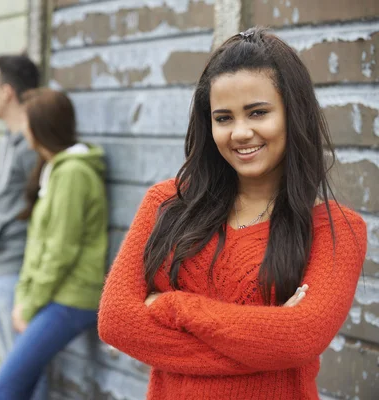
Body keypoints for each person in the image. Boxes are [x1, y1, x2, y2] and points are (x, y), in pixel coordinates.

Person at [98, 27, 367, 399]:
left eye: (257, 112)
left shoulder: (337, 229)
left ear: (294, 113)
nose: (240, 132)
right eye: (223, 118)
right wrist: (265, 339)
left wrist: (175, 306)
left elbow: (298, 338)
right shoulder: (167, 204)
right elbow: (117, 323)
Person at [0, 88, 108, 400]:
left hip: (71, 298)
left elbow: (60, 250)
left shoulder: (74, 173)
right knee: (23, 385)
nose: (23, 130)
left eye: (26, 123)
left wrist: (30, 304)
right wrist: (24, 297)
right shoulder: (54, 168)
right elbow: (38, 246)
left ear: (40, 127)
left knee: (3, 388)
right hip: (53, 295)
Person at [0, 55, 45, 393]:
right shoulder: (9, 140)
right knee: (11, 367)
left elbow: (41, 216)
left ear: (6, 92)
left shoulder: (30, 149)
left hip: (15, 271)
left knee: (21, 376)